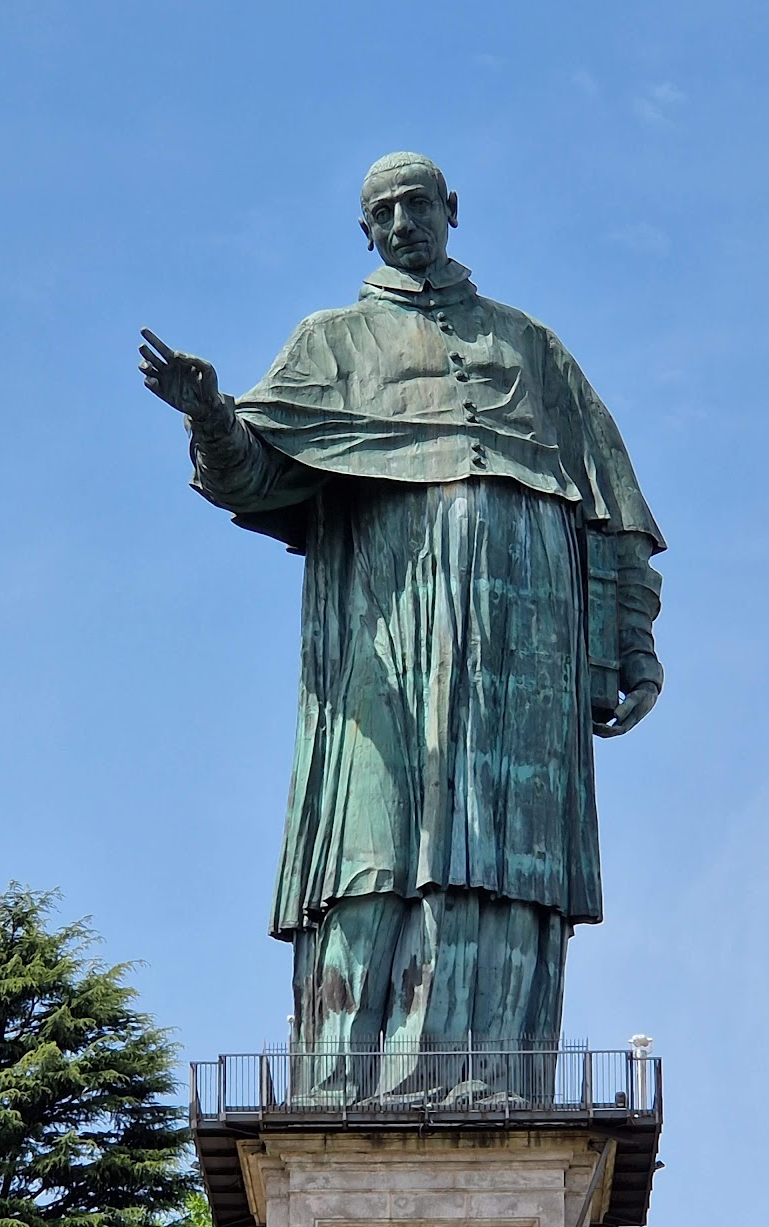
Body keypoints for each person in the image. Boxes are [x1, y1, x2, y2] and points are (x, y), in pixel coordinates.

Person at [139, 152, 664, 1102]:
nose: (402, 222)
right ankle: (350, 1077)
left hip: (525, 638)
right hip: (384, 634)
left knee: (503, 848)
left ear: (452, 211)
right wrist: (212, 416)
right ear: (365, 230)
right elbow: (256, 472)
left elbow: (612, 513)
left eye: (416, 203)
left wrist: (630, 643)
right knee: (370, 843)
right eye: (382, 210)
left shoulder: (531, 348)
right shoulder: (332, 342)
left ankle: (492, 1070)